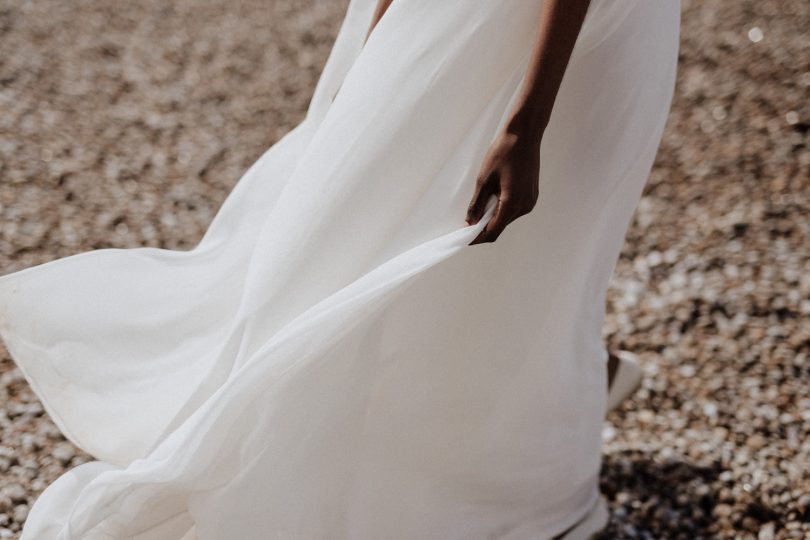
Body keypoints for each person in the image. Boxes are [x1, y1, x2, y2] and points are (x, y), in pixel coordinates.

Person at [0, 0, 679, 538]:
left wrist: (526, 118)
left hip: (577, 33)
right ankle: (503, 435)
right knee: (364, 235)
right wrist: (380, 36)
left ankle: (541, 418)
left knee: (541, 259)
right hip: (467, 26)